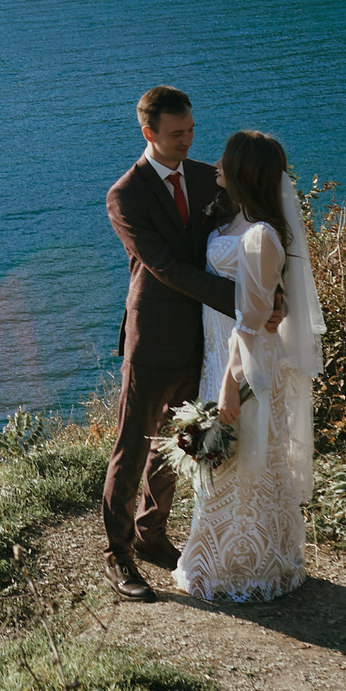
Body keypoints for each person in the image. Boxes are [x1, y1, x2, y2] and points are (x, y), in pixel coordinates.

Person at [173, 129, 326, 604]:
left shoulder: (260, 236)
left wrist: (229, 385)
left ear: (242, 172)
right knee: (235, 464)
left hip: (247, 366)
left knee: (247, 464)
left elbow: (253, 323)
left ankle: (245, 568)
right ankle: (229, 558)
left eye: (224, 159)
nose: (213, 163)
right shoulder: (236, 221)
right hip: (224, 357)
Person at [100, 85, 239, 602]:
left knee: (179, 443)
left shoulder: (206, 177)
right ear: (149, 133)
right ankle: (117, 555)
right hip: (152, 336)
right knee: (132, 448)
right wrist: (240, 298)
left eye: (191, 131)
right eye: (177, 134)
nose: (187, 141)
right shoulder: (125, 195)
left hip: (202, 335)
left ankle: (152, 533)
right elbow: (164, 267)